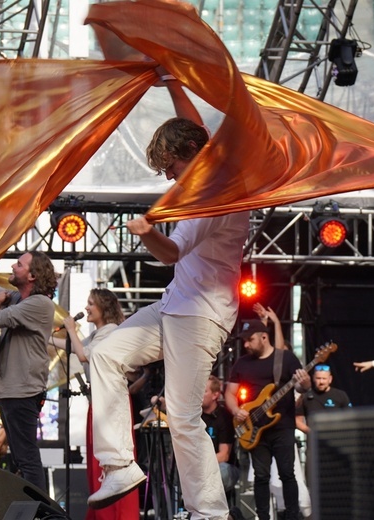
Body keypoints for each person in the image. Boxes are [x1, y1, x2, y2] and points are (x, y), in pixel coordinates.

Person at [86, 71, 251, 520]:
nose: (168, 177)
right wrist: (174, 82)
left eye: (170, 167)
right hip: (174, 306)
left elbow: (172, 252)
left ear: (190, 157)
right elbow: (192, 126)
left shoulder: (215, 194)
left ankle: (211, 513)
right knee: (106, 351)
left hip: (202, 316)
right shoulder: (207, 164)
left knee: (182, 416)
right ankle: (119, 465)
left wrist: (146, 233)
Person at [53, 288, 141, 520]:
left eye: (91, 303)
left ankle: (115, 515)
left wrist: (71, 328)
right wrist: (45, 337)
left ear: (104, 307)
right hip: (100, 404)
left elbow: (83, 355)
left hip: (111, 405)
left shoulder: (111, 331)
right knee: (97, 464)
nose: (86, 308)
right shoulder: (98, 334)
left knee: (108, 463)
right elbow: (74, 347)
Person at [0, 251, 57, 490]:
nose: (13, 267)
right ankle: (26, 507)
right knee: (18, 458)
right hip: (10, 390)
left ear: (33, 275)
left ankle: (43, 513)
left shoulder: (39, 303)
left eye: (19, 264)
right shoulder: (18, 298)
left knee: (27, 457)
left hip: (23, 391)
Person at [225, 320, 311, 520]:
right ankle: (263, 517)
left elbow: (299, 388)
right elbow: (230, 392)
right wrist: (236, 409)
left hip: (282, 425)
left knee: (287, 474)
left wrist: (305, 385)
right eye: (245, 340)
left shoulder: (286, 359)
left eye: (250, 340)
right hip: (253, 427)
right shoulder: (242, 363)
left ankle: (291, 516)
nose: (246, 344)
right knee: (261, 477)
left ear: (264, 336)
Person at [202, 375, 240, 493]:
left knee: (220, 471)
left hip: (223, 466)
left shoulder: (224, 417)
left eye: (204, 391)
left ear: (215, 395)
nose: (199, 395)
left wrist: (200, 465)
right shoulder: (195, 416)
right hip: (199, 466)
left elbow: (224, 455)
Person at [296, 364, 352, 434]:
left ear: (330, 379)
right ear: (313, 378)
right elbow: (297, 421)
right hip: (315, 442)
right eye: (318, 378)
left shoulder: (340, 395)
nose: (321, 382)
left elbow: (349, 418)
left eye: (324, 378)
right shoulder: (306, 396)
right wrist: (312, 433)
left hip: (336, 439)